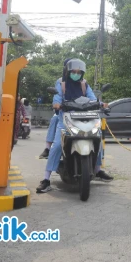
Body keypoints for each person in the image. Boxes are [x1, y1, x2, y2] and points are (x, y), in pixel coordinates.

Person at [36, 58, 113, 193]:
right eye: (74, 71)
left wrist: (101, 104)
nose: (76, 74)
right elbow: (57, 97)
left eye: (79, 72)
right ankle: (46, 179)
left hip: (84, 117)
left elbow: (91, 98)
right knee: (57, 146)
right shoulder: (61, 83)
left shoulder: (84, 84)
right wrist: (57, 104)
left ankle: (97, 170)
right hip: (65, 118)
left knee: (97, 139)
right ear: (68, 70)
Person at [39, 59, 72, 159]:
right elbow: (57, 96)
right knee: (54, 119)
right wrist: (57, 104)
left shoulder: (82, 81)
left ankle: (97, 166)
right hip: (64, 111)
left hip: (78, 112)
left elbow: (89, 96)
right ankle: (48, 148)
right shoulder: (60, 81)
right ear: (66, 68)